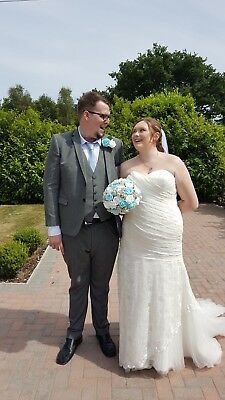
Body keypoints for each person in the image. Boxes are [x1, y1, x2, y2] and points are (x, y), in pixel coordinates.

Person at [117, 117, 225, 375]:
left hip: (166, 234)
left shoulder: (174, 162)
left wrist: (166, 214)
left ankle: (164, 349)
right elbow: (123, 200)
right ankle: (138, 349)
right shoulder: (125, 167)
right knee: (138, 284)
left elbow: (192, 202)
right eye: (133, 131)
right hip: (135, 235)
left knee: (166, 284)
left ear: (155, 135)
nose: (135, 134)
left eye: (141, 129)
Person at [43, 91, 124, 365]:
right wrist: (53, 228)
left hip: (106, 231)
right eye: (104, 116)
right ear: (86, 115)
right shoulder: (60, 143)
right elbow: (51, 186)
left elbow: (122, 184)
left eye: (109, 116)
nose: (107, 121)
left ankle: (102, 332)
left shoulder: (115, 146)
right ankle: (74, 334)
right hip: (73, 231)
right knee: (78, 284)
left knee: (101, 286)